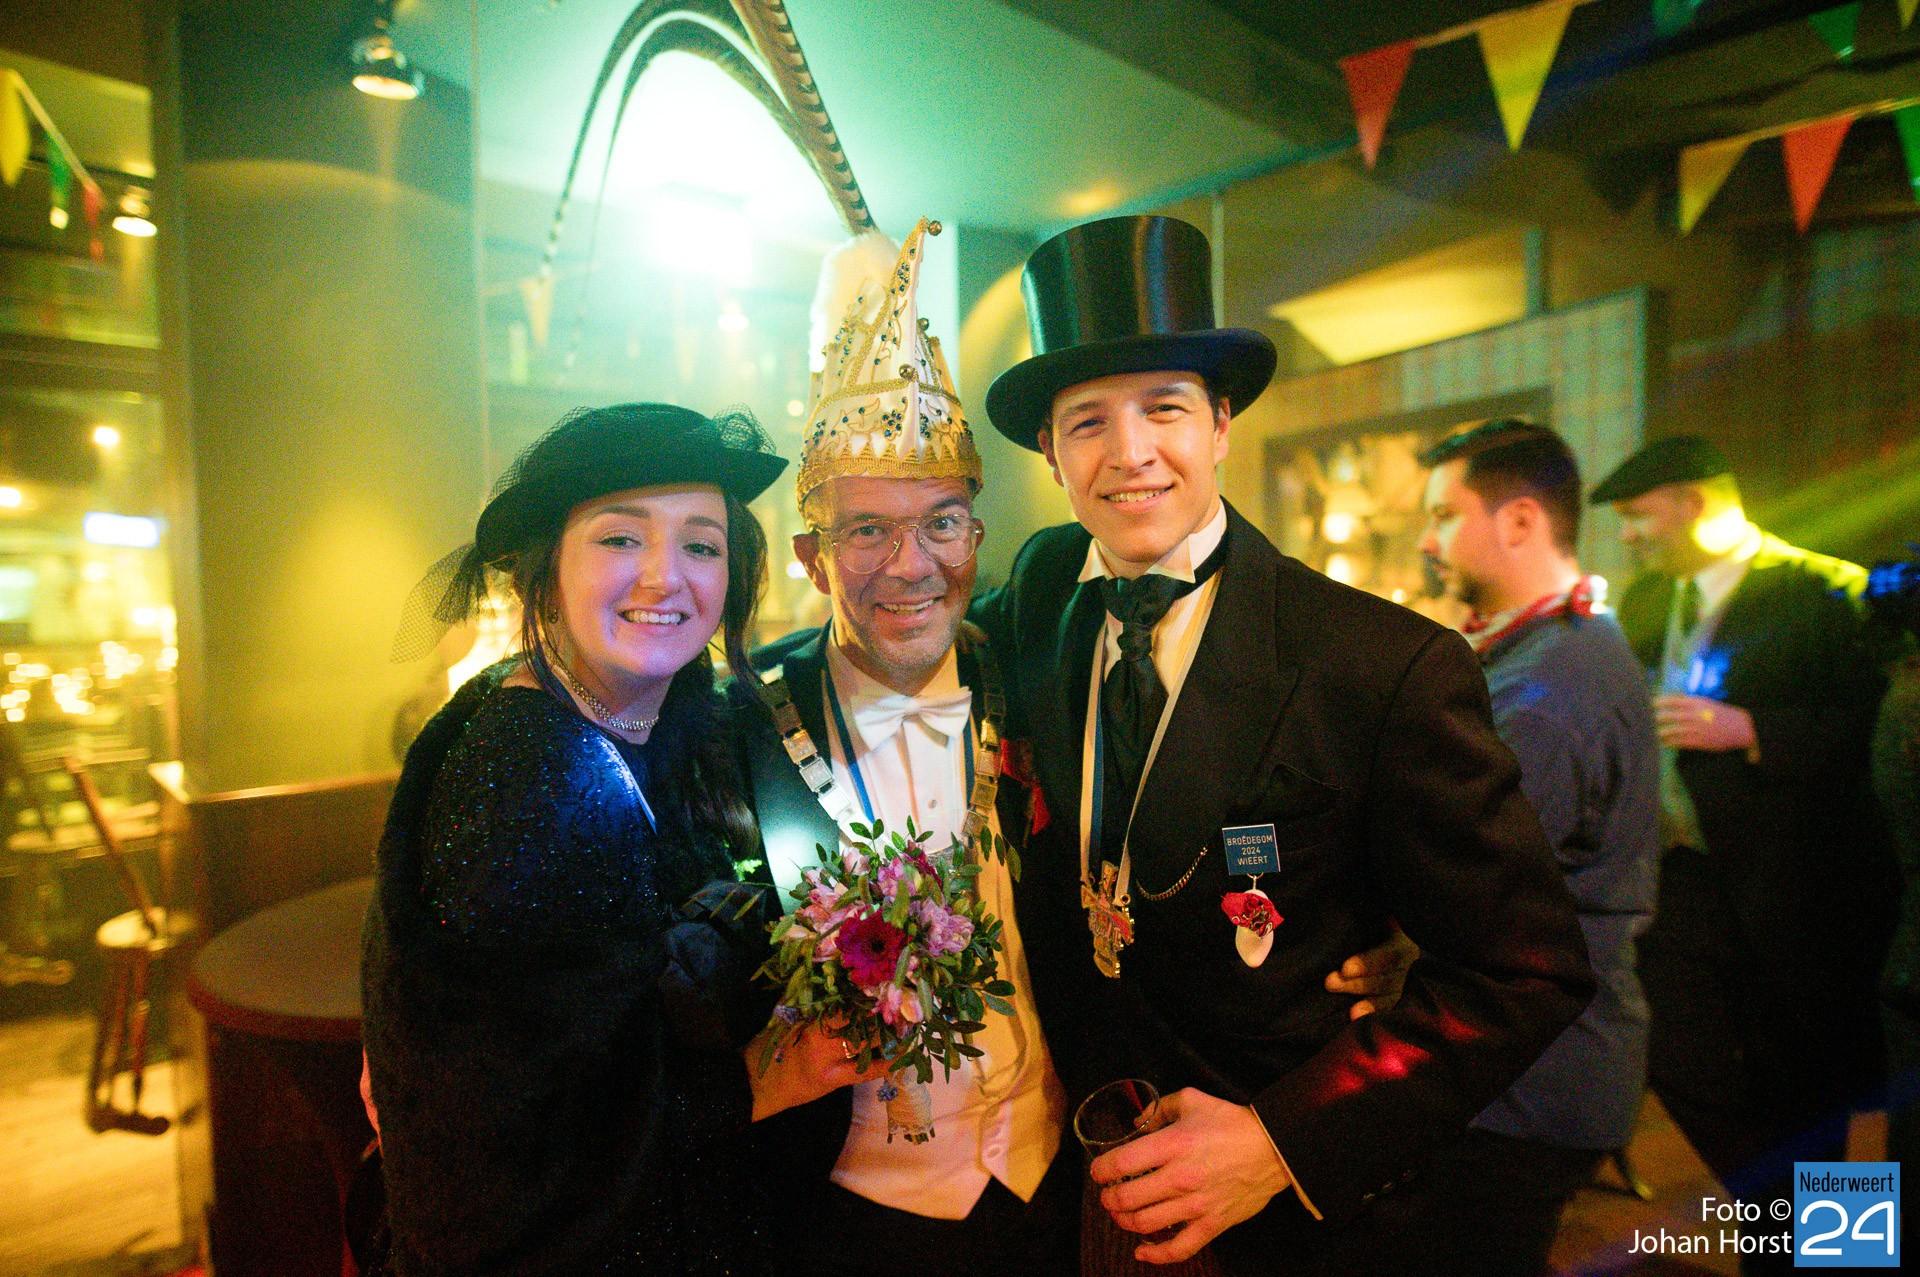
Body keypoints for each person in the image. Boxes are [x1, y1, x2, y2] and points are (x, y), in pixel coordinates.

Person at [974, 214, 1595, 1275]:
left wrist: (1282, 1140)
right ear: (1050, 450)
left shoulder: (1382, 662)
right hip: (1070, 1181)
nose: (1129, 453)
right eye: (1087, 421)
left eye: (1164, 408)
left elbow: (1524, 971)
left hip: (1285, 1225)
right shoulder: (1040, 592)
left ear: (1221, 423)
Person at [360, 403, 878, 1276]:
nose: (665, 576)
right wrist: (782, 1072)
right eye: (620, 538)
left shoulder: (649, 717)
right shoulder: (543, 773)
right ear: (544, 569)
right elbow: (532, 1144)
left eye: (701, 544)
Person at [1590, 434, 1896, 1272]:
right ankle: (1790, 1234)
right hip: (1685, 879)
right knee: (1674, 1051)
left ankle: (1843, 1260)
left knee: (1823, 1096)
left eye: (1638, 516)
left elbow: (1881, 733)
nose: (1629, 536)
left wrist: (1756, 730)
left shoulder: (1825, 589)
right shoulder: (1650, 597)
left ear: (1693, 502)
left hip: (1805, 891)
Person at [1372, 418, 1657, 1273]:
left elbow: (1458, 877)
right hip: (1542, 1061)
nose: (1427, 542)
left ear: (1521, 519)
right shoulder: (1553, 643)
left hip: (1531, 1075)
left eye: (1443, 515)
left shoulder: (1551, 690)